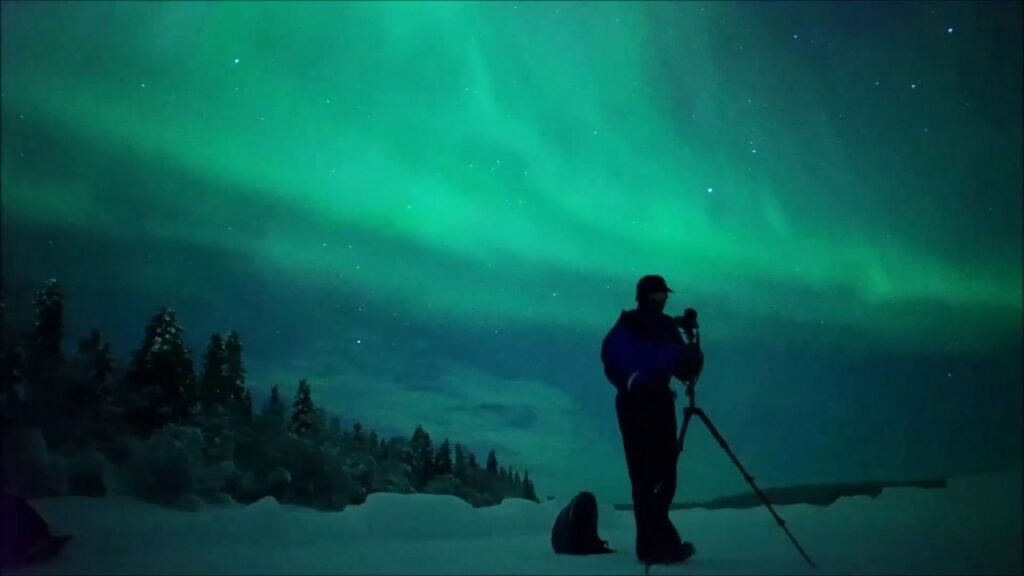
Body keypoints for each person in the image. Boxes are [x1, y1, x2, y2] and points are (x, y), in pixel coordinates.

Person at [600, 274, 704, 564]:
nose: (664, 299)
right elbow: (612, 360)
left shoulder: (666, 327)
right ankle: (655, 545)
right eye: (659, 295)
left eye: (665, 295)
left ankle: (658, 543)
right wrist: (634, 381)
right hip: (637, 404)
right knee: (646, 475)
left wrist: (691, 355)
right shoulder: (630, 325)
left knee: (663, 474)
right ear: (648, 296)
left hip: (658, 402)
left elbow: (681, 368)